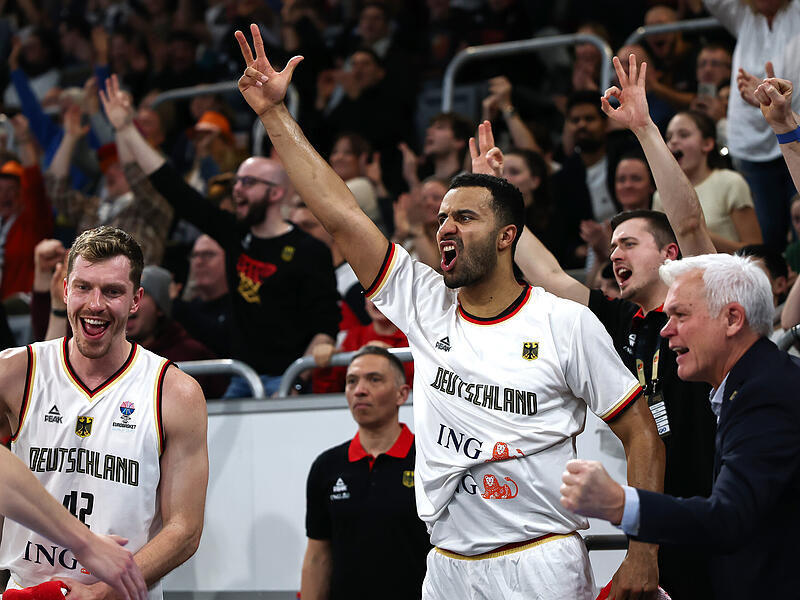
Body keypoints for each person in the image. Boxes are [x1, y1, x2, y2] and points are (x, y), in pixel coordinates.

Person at [234, 26, 664, 599]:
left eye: (465, 217)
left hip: (540, 559)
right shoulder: (424, 302)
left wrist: (642, 556)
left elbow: (643, 437)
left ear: (508, 236)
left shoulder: (565, 322)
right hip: (446, 566)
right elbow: (340, 213)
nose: (445, 227)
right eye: (441, 217)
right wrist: (274, 115)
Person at [515, 54, 719, 599]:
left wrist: (644, 128)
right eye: (611, 247)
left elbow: (691, 220)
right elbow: (551, 275)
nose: (616, 254)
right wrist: (501, 206)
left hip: (719, 519)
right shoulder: (621, 319)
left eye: (629, 243)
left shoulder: (703, 299)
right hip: (656, 521)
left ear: (669, 253)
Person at [560, 252, 800, 599]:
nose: (665, 329)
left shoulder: (765, 393)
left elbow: (729, 519)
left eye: (680, 315)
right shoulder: (754, 382)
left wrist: (619, 503)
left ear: (733, 318)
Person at [99, 76, 341, 398]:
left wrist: (306, 368)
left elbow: (325, 321)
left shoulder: (309, 250)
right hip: (241, 377)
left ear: (276, 194)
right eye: (237, 182)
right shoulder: (234, 234)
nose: (238, 189)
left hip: (287, 380)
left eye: (249, 183)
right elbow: (175, 190)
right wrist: (127, 129)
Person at [0, 226, 209, 599]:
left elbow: (185, 529)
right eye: (83, 287)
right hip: (26, 589)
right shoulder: (16, 372)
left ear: (135, 300)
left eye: (112, 291)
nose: (95, 304)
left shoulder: (174, 391)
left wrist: (101, 592)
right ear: (65, 289)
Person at [302, 345, 430, 599]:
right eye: (352, 381)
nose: (360, 390)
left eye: (374, 379)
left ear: (401, 395)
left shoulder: (430, 460)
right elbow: (318, 556)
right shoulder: (326, 466)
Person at [704, 0, 800, 252]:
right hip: (751, 148)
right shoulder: (743, 15)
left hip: (795, 134)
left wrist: (768, 91)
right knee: (767, 240)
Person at [0, 445, 147, 600]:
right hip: (25, 585)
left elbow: (176, 527)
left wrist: (101, 591)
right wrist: (85, 542)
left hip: (123, 591)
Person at [653, 109, 762, 252]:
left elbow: (756, 252)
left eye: (684, 135)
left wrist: (697, 233)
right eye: (669, 137)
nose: (673, 141)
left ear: (707, 144)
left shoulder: (730, 182)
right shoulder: (660, 194)